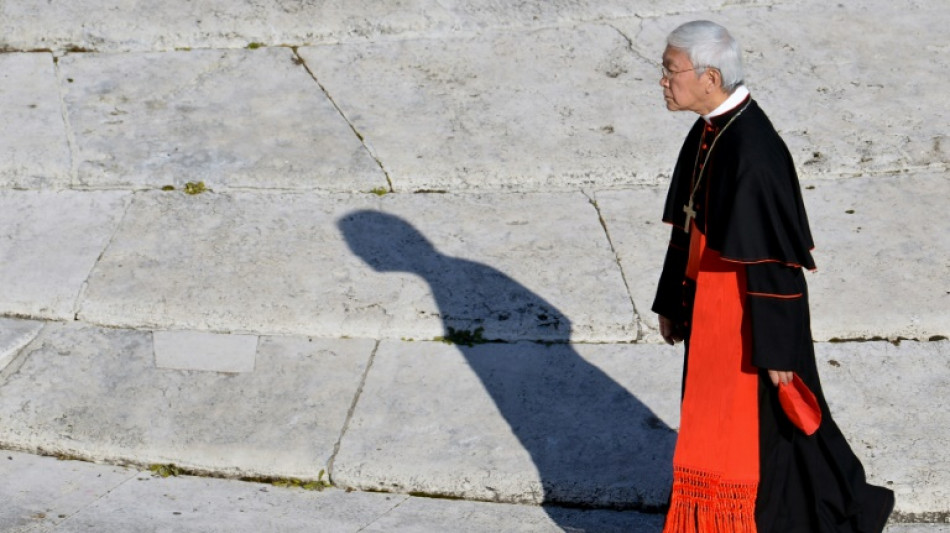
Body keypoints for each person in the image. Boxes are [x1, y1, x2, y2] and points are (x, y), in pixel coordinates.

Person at [651, 20, 894, 532]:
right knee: (754, 427)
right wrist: (672, 301)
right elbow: (688, 225)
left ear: (710, 77)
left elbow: (773, 260)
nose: (663, 81)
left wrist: (779, 349)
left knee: (777, 430)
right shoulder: (709, 131)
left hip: (751, 319)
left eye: (671, 70)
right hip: (713, 308)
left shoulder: (754, 151)